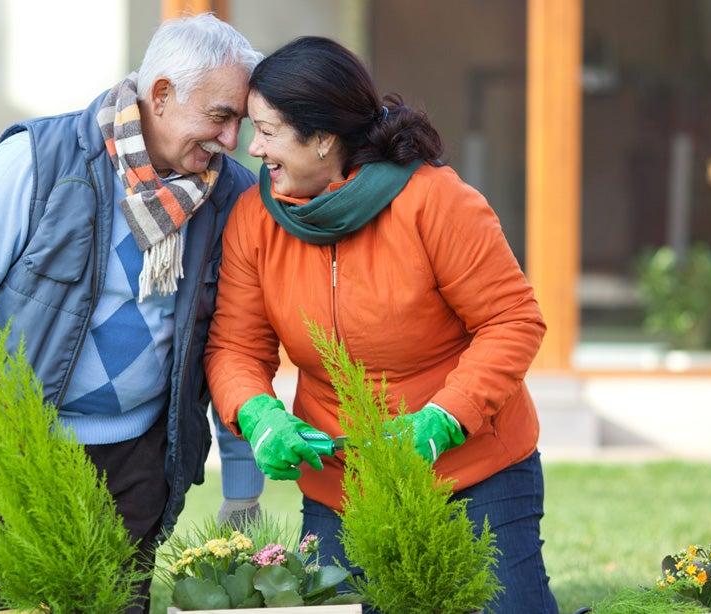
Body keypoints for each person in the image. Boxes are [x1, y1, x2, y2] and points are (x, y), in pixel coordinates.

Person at [0, 15, 264, 614]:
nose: (232, 141)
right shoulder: (39, 159)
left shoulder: (230, 197)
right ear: (164, 94)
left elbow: (227, 343)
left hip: (132, 462)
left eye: (240, 123)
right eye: (221, 117)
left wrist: (242, 479)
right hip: (0, 446)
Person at [204, 36, 560, 614]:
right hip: (341, 486)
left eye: (267, 130)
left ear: (322, 138)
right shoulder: (256, 219)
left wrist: (446, 419)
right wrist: (257, 411)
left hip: (472, 473)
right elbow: (235, 346)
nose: (252, 146)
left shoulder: (434, 201)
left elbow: (512, 320)